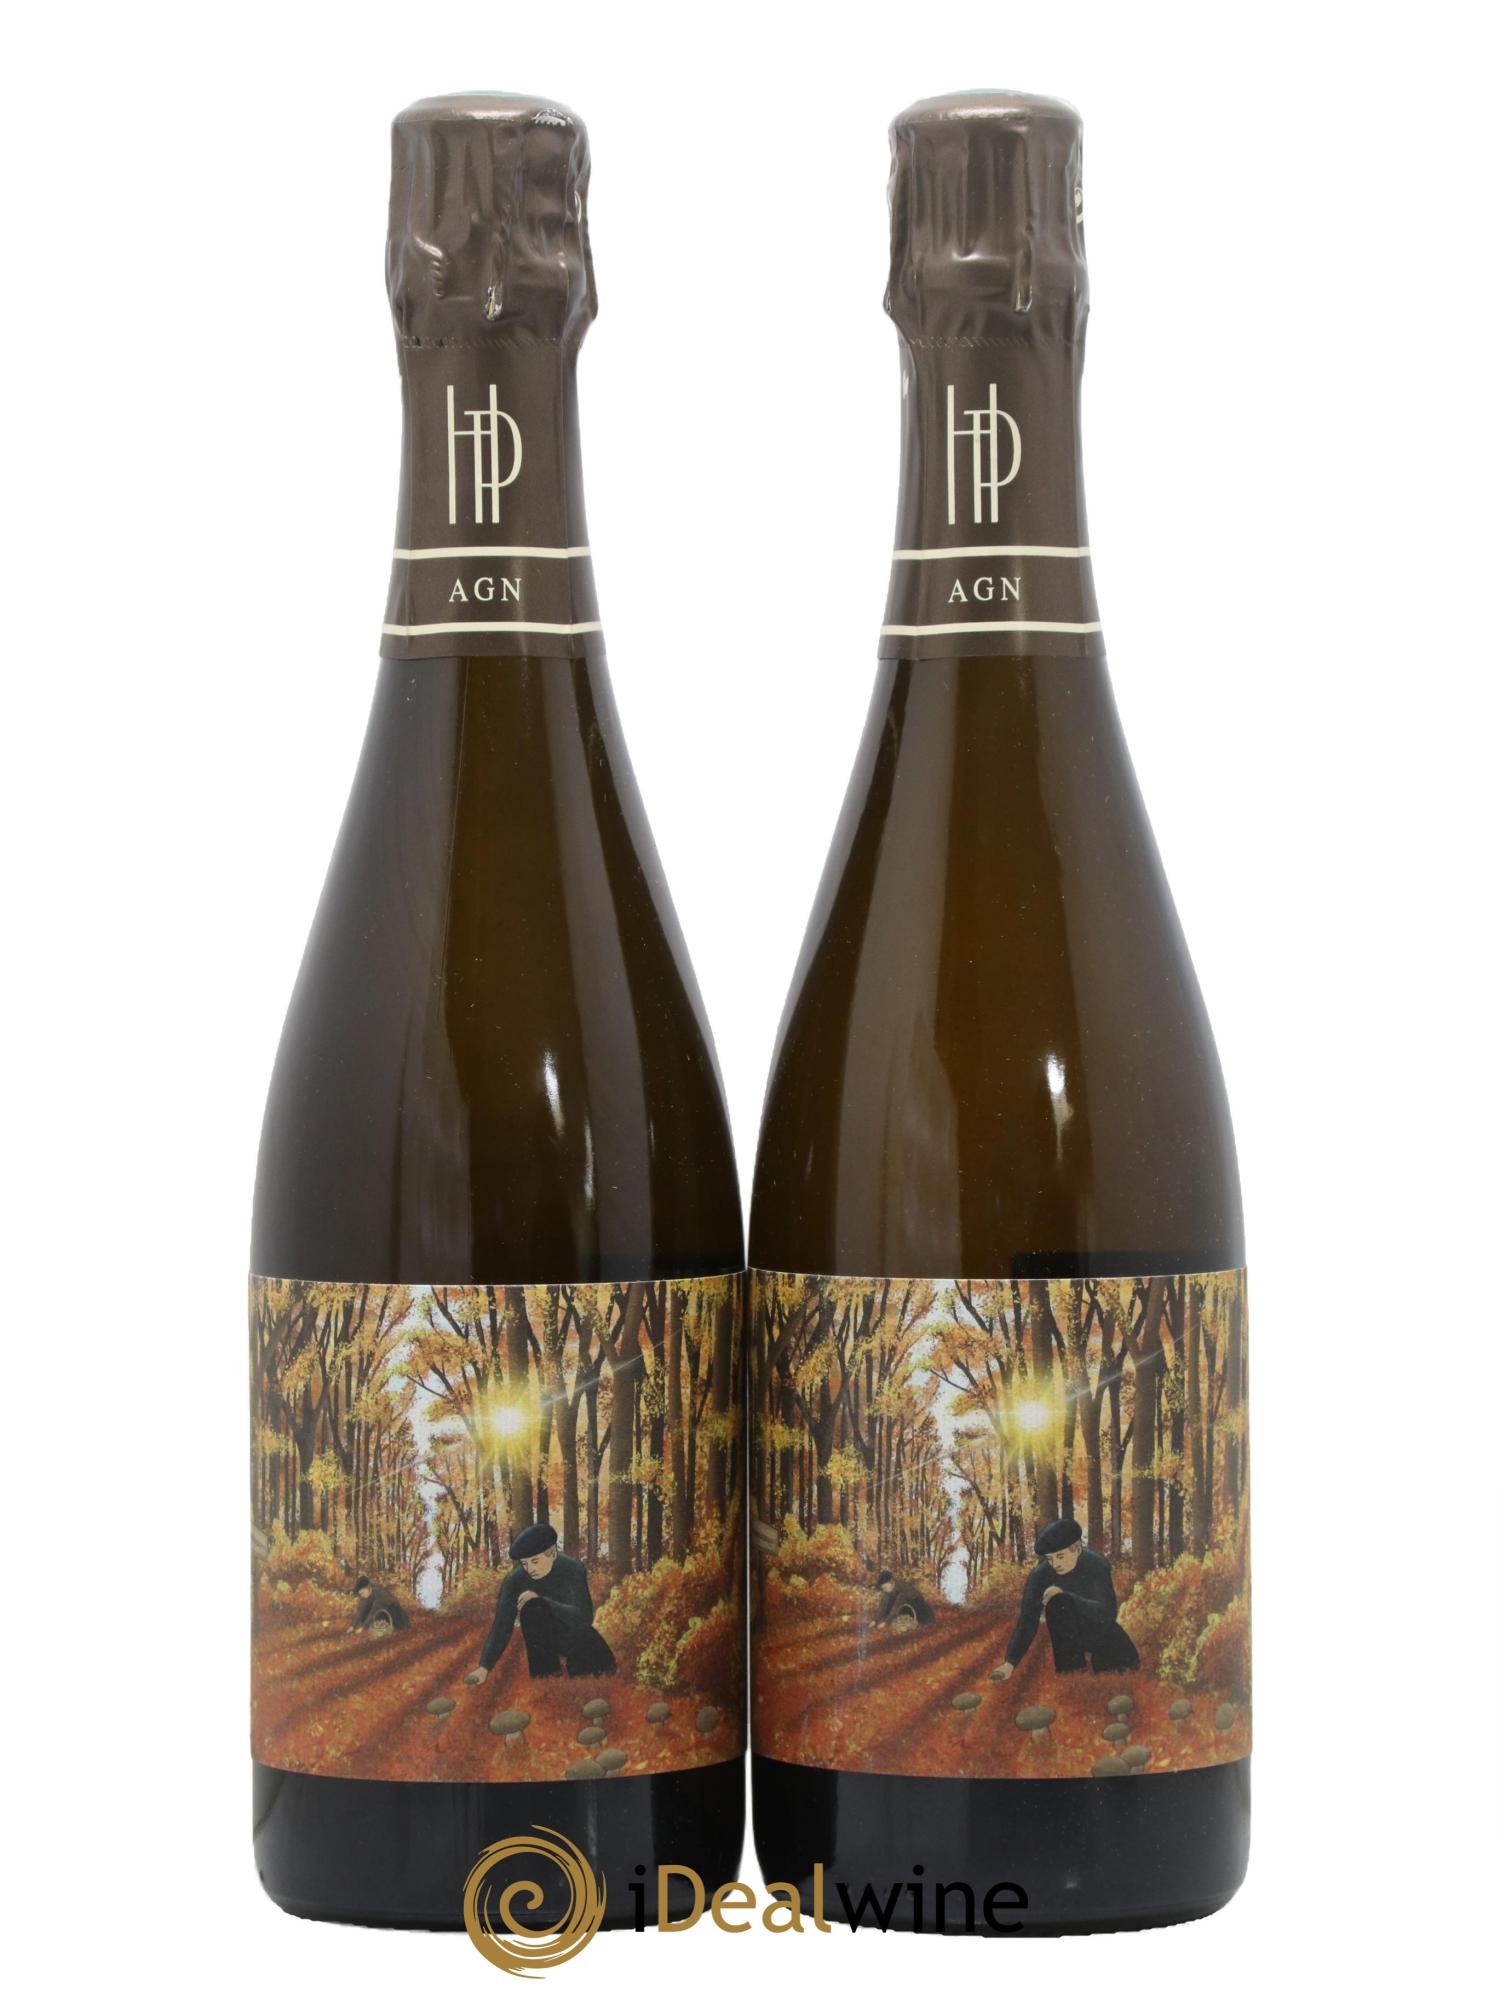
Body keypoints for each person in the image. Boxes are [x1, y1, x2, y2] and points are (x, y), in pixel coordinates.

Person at [992, 1518, 1140, 1679]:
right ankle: (1070, 1672)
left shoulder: (1097, 1564)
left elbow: (1108, 1612)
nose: (1055, 1564)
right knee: (1057, 1603)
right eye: (1050, 1559)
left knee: (1126, 1666)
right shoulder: (1040, 1575)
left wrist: (1068, 1596)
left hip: (1098, 1629)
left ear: (1077, 1549)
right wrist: (1010, 1663)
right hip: (1067, 1634)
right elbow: (1027, 1621)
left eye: (1060, 1556)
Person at [469, 1523, 617, 1682]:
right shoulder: (515, 1580)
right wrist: (484, 1667)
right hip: (542, 1639)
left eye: (535, 1561)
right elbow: (502, 1625)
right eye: (524, 1563)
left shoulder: (573, 1569)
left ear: (552, 1553)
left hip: (574, 1634)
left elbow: (584, 1617)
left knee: (601, 1671)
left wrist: (544, 1601)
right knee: (532, 1608)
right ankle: (545, 1677)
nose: (529, 1568)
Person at [871, 1569, 935, 1629]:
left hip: (917, 1604)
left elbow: (896, 1607)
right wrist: (875, 1620)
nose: (884, 1590)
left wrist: (886, 1622)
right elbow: (882, 1606)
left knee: (919, 1623)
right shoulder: (887, 1591)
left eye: (885, 1587)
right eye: (883, 1588)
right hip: (903, 1605)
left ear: (891, 1582)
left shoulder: (902, 1589)